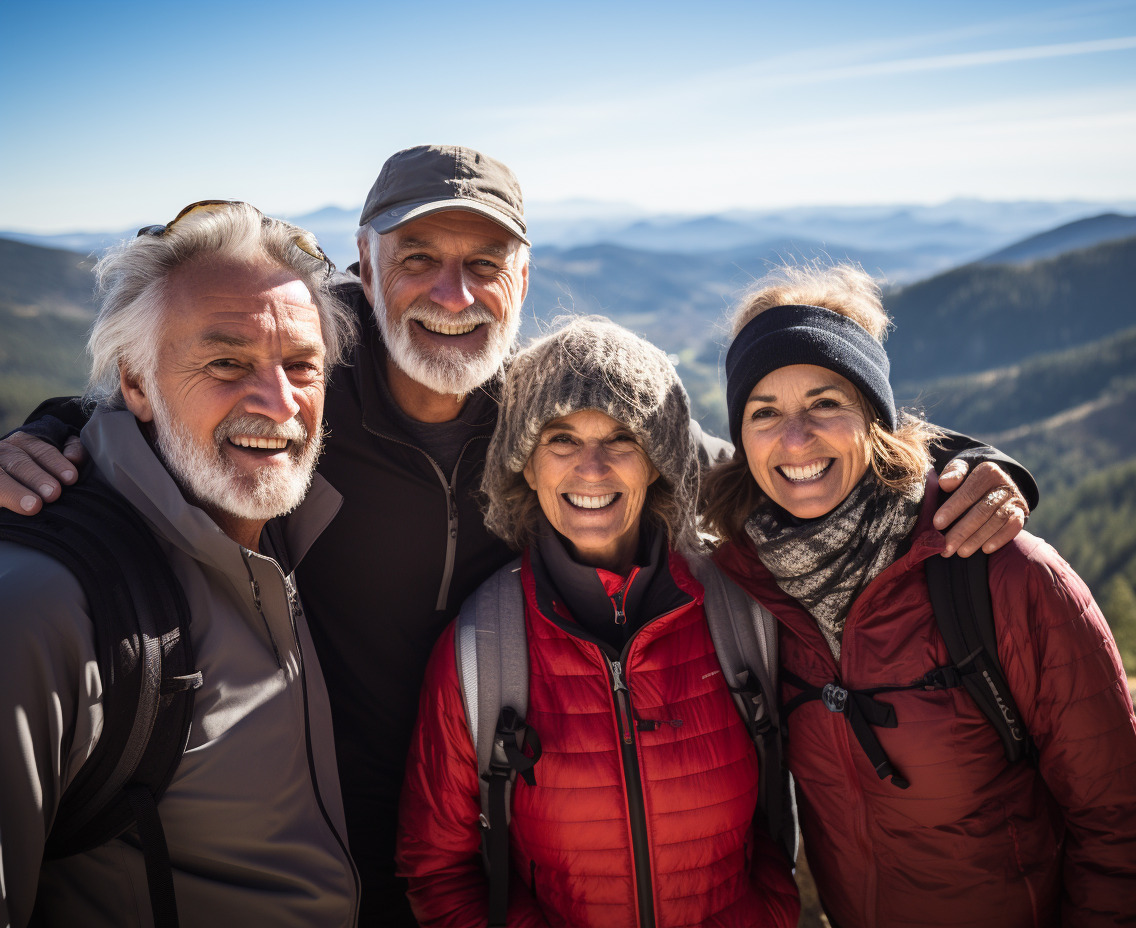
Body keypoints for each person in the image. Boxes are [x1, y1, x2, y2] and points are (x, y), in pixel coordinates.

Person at [0, 146, 1033, 925]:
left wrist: (946, 459)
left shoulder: (543, 409)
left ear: (523, 281)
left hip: (492, 841)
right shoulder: (308, 398)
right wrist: (49, 433)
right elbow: (164, 404)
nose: (452, 296)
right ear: (361, 264)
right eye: (417, 259)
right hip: (312, 833)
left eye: (484, 264)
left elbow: (758, 464)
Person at [702, 264, 1136, 927]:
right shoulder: (744, 590)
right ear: (741, 439)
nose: (794, 438)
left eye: (826, 403)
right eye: (764, 412)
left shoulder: (1002, 574)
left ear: (875, 415)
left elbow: (1116, 827)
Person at [0, 202, 361, 926]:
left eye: (301, 366)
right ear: (134, 383)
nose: (280, 403)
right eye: (226, 362)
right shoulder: (43, 608)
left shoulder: (279, 524)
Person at [397, 316, 800, 927]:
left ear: (659, 461)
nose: (591, 468)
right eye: (560, 439)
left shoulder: (741, 612)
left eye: (622, 439)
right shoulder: (481, 650)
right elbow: (436, 866)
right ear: (525, 468)